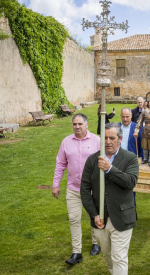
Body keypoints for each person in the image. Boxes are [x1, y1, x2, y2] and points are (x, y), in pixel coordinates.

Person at [81, 123, 139, 275]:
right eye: (105, 138)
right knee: (108, 256)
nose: (108, 141)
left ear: (119, 139)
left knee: (118, 257)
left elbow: (130, 182)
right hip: (100, 219)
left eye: (112, 138)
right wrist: (94, 214)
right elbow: (85, 189)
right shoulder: (93, 160)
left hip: (122, 217)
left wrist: (110, 169)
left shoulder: (130, 158)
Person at [53, 113, 101, 265]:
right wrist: (56, 184)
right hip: (73, 188)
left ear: (87, 125)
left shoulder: (97, 141)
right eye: (75, 124)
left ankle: (96, 242)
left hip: (92, 189)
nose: (77, 127)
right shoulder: (66, 142)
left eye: (80, 124)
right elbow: (60, 164)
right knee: (74, 219)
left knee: (93, 216)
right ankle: (76, 252)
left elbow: (104, 161)